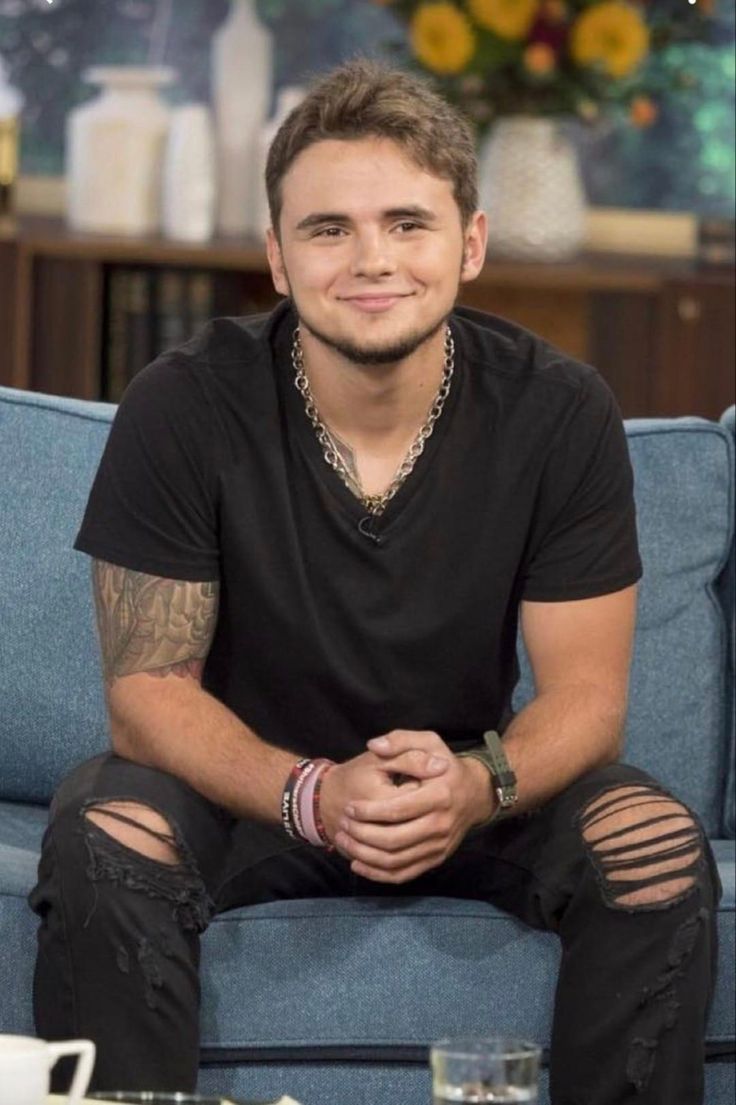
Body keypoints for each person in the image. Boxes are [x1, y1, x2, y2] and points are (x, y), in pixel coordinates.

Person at [30, 59, 719, 1104]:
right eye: (327, 228)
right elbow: (147, 694)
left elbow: (588, 700)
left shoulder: (558, 409)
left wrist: (475, 783)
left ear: (469, 244)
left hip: (470, 787)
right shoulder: (183, 402)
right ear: (274, 254)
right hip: (251, 788)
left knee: (655, 848)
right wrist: (311, 794)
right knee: (104, 836)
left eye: (407, 223)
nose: (370, 260)